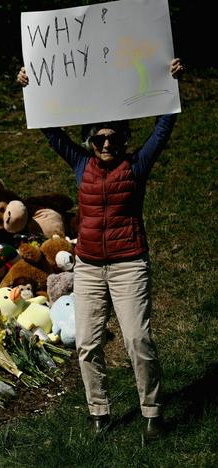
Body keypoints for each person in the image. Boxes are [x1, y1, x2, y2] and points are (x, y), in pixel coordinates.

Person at [17, 58, 184, 440]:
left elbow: (163, 127)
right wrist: (30, 87)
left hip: (129, 265)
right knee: (88, 344)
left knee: (137, 340)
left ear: (124, 139)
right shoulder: (80, 163)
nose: (106, 144)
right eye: (98, 138)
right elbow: (50, 130)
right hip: (88, 267)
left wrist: (170, 82)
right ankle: (99, 412)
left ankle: (153, 413)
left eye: (113, 138)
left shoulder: (136, 165)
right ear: (90, 141)